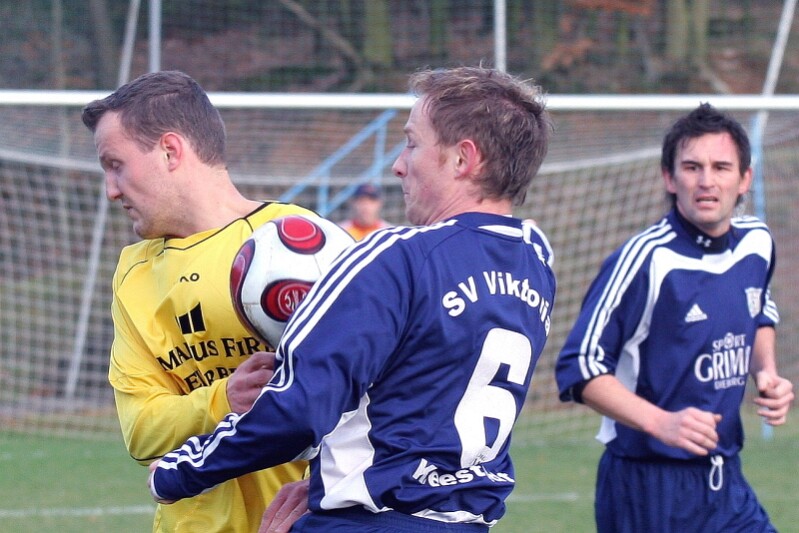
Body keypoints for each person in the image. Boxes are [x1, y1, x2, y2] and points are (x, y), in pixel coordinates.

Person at [147, 65, 556, 532]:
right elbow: (425, 395)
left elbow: (298, 409)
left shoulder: (398, 256)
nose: (398, 164)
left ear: (463, 159)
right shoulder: (534, 261)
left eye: (412, 143)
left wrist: (180, 470)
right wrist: (331, 480)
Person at [81, 70, 308, 533]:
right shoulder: (133, 273)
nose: (111, 190)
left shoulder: (298, 244)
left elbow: (370, 400)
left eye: (116, 164)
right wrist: (224, 398)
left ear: (170, 151)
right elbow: (141, 431)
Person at [555, 103, 794, 533]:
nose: (707, 181)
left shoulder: (757, 243)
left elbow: (760, 310)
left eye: (721, 167)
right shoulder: (645, 260)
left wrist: (766, 372)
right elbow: (580, 367)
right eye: (692, 167)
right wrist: (661, 422)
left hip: (726, 482)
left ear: (745, 179)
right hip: (647, 488)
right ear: (669, 178)